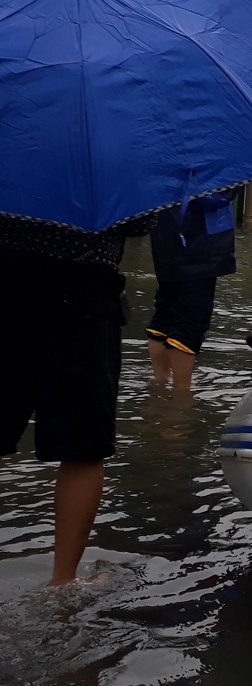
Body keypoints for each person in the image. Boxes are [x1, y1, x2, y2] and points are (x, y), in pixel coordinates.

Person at [0, 214, 151, 586]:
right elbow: (141, 220)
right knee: (83, 448)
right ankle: (62, 584)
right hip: (84, 293)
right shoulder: (116, 157)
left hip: (5, 280)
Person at [146, 195, 237, 390]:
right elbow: (218, 197)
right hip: (199, 247)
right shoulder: (206, 165)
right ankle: (182, 392)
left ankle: (160, 381)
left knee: (164, 313)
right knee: (190, 321)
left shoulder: (164, 164)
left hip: (165, 243)